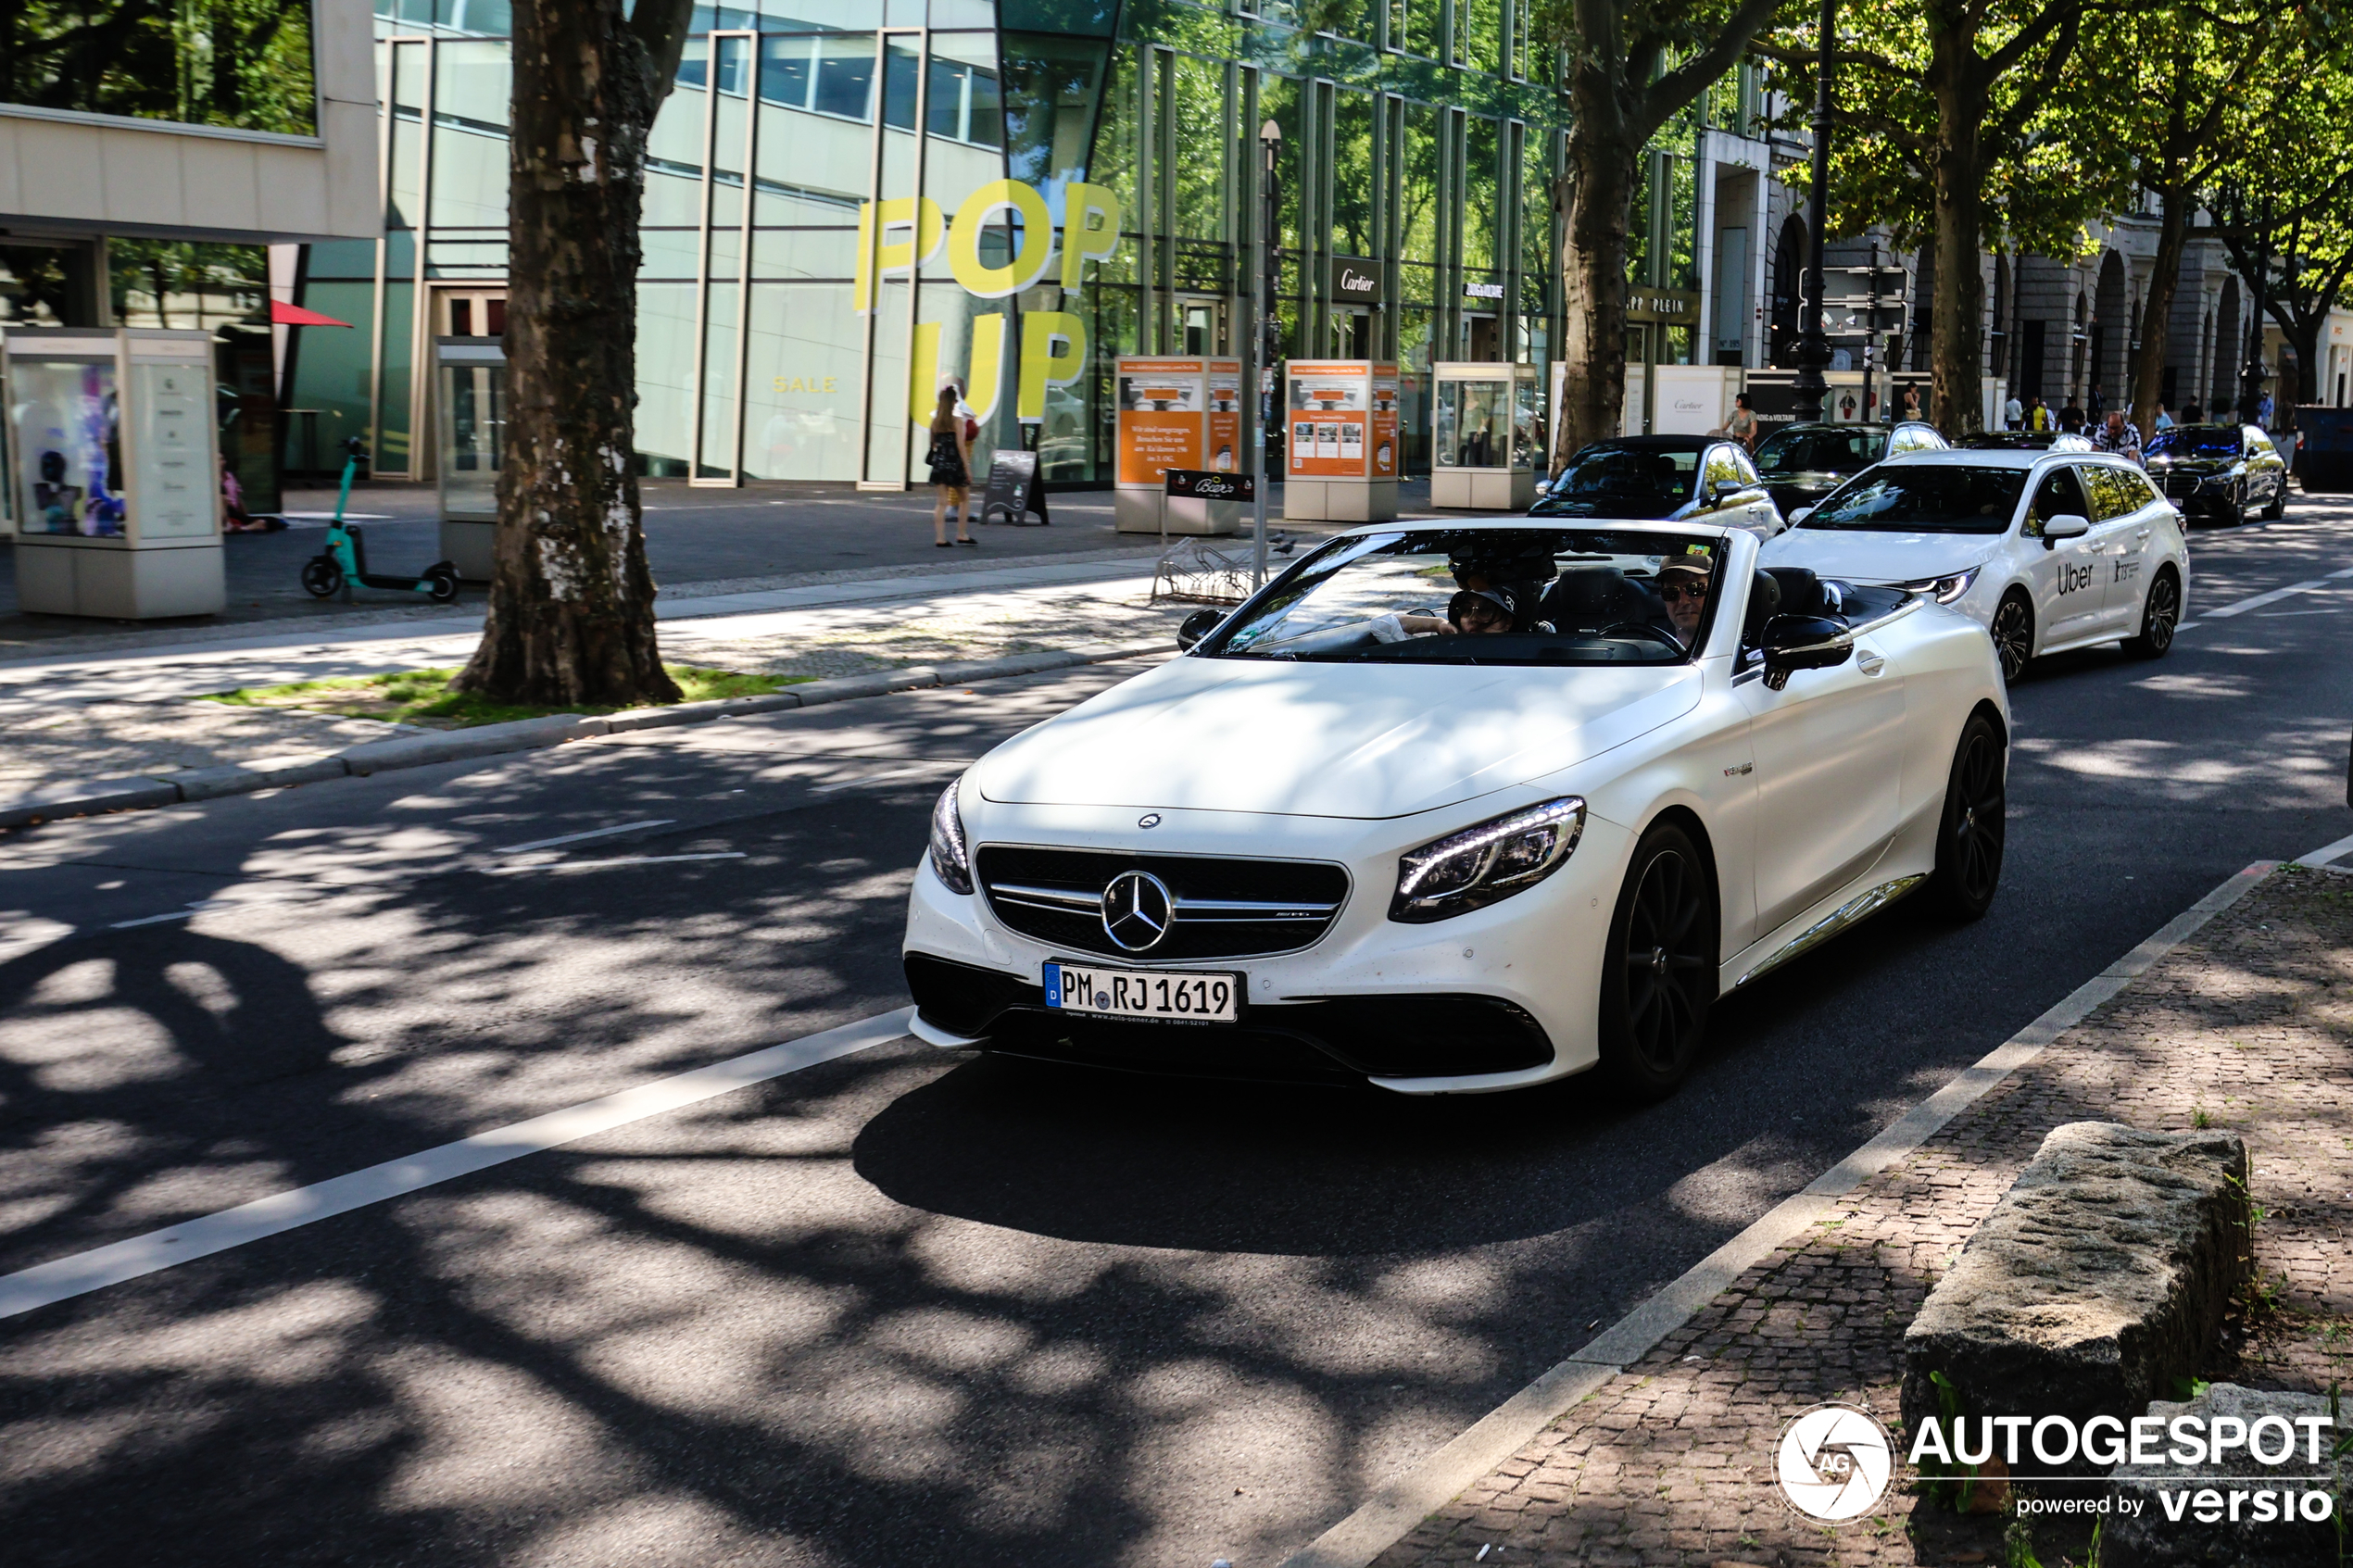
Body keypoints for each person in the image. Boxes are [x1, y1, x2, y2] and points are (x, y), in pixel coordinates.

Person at [925, 384, 975, 546]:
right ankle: (962, 534)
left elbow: (933, 445)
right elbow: (960, 445)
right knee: (964, 499)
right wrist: (967, 468)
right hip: (955, 464)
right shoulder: (957, 421)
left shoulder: (935, 422)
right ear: (953, 402)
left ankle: (940, 538)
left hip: (939, 463)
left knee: (941, 502)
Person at [1655, 548, 1713, 647]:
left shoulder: (1744, 658)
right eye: (1671, 593)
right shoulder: (1653, 657)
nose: (1683, 601)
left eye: (1695, 589)